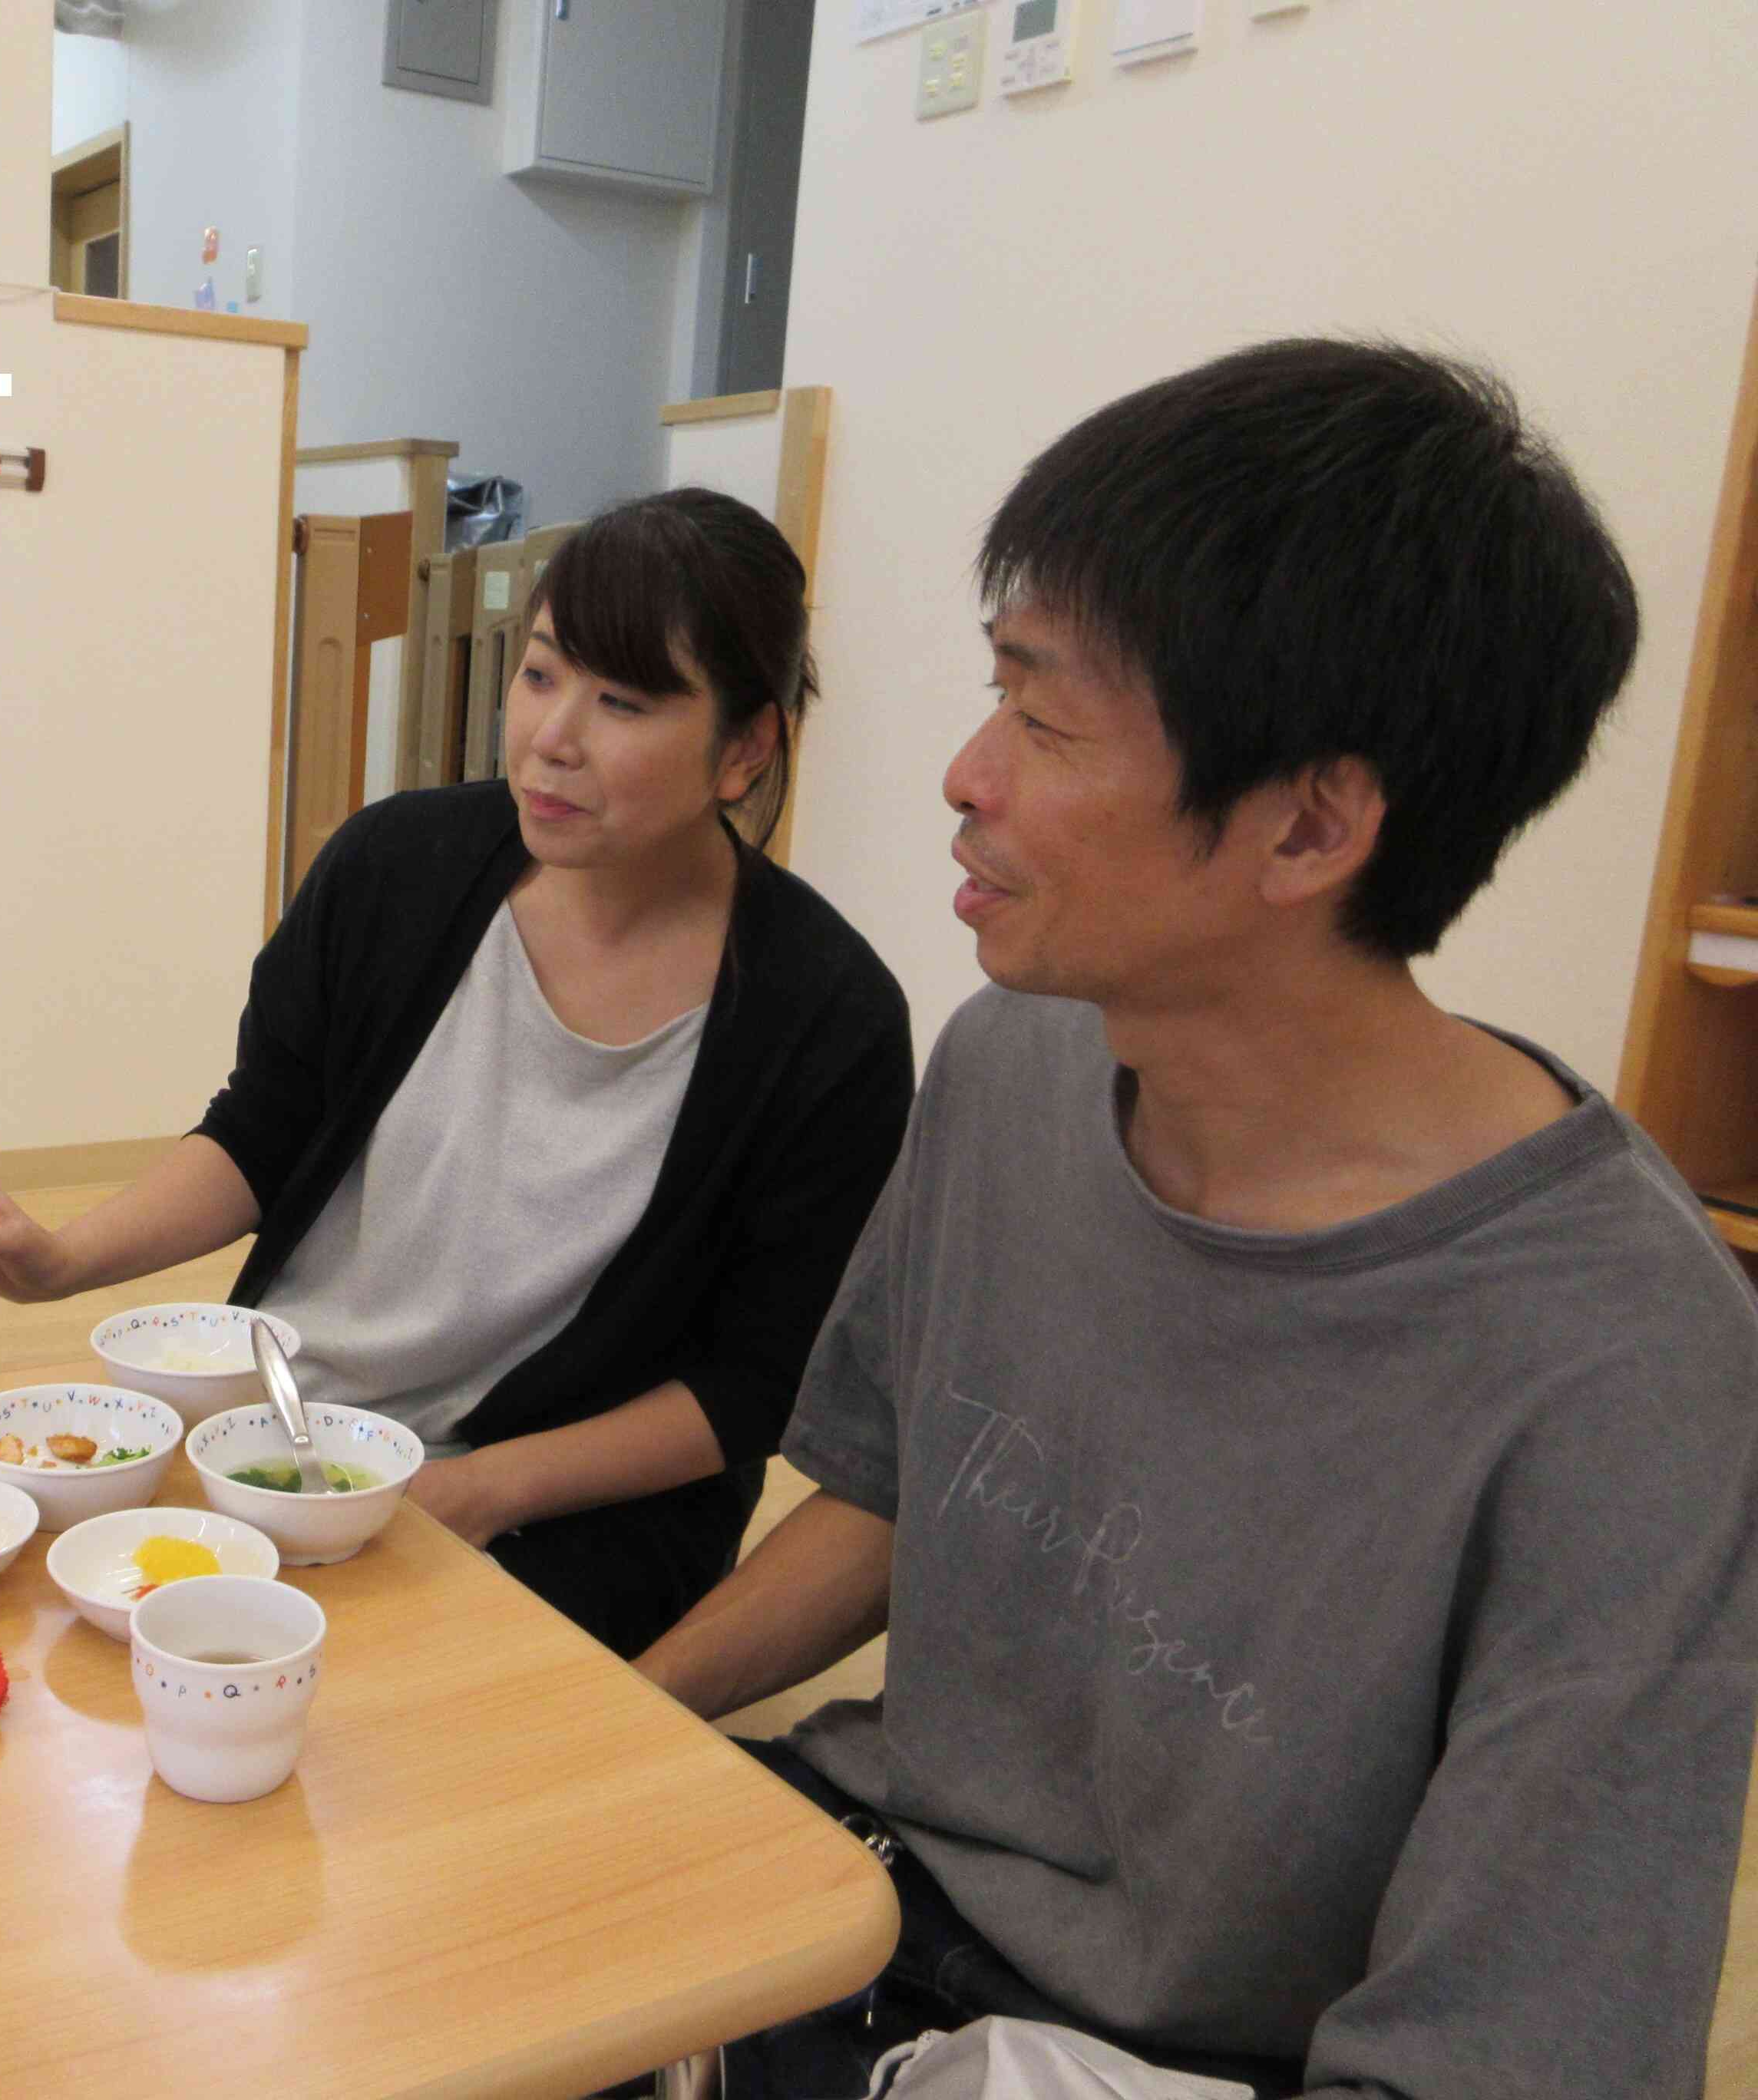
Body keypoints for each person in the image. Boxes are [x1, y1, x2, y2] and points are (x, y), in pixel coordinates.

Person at [637, 340, 1758, 2098]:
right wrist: (611, 1724)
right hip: (842, 1894)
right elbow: (884, 1492)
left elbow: (1526, 2050)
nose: (961, 770)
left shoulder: (1624, 1356)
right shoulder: (1009, 1064)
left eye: (1040, 712)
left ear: (1309, 822)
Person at [0, 489, 914, 1656]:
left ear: (745, 749)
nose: (553, 736)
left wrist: (482, 1490)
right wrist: (62, 1260)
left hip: (563, 1503)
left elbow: (760, 1382)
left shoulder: (828, 1017)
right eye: (543, 674)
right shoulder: (395, 867)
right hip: (284, 1424)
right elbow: (265, 1130)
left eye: (624, 702)